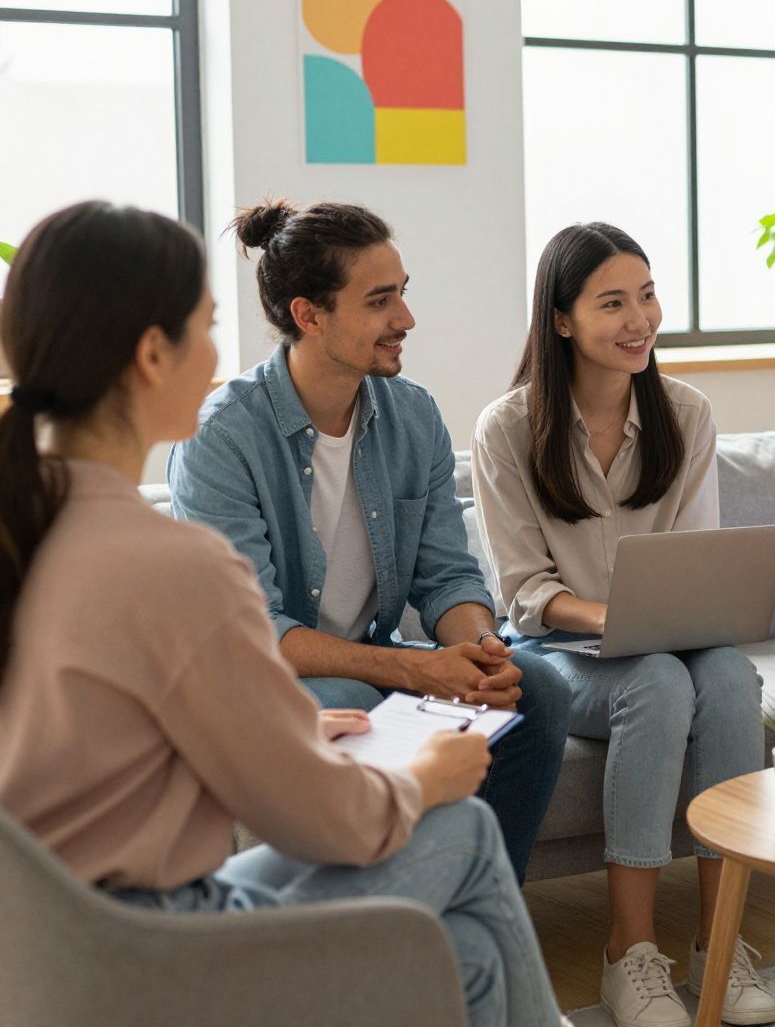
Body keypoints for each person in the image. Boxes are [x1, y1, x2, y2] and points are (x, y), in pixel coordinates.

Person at [0, 201, 562, 1027]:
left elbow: (95, 747)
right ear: (154, 354)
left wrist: (288, 733)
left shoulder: (31, 527)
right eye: (209, 324)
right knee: (464, 833)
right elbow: (330, 821)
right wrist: (425, 778)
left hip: (43, 954)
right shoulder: (176, 564)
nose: (221, 354)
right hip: (148, 954)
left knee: (468, 958)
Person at [167, 198, 570, 881]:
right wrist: (418, 671)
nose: (405, 320)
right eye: (380, 301)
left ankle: (482, 900)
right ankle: (378, 930)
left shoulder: (413, 415)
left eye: (403, 295)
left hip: (373, 663)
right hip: (269, 683)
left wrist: (478, 650)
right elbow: (255, 633)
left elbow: (447, 575)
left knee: (537, 689)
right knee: (350, 708)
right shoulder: (223, 435)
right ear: (309, 314)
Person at [472, 222, 774, 1027]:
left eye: (646, 295)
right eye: (613, 302)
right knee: (655, 682)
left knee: (729, 679)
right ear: (562, 320)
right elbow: (522, 592)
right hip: (562, 651)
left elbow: (697, 562)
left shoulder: (686, 414)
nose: (640, 317)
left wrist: (667, 616)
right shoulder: (506, 429)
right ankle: (629, 953)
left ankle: (724, 941)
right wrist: (613, 616)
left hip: (670, 638)